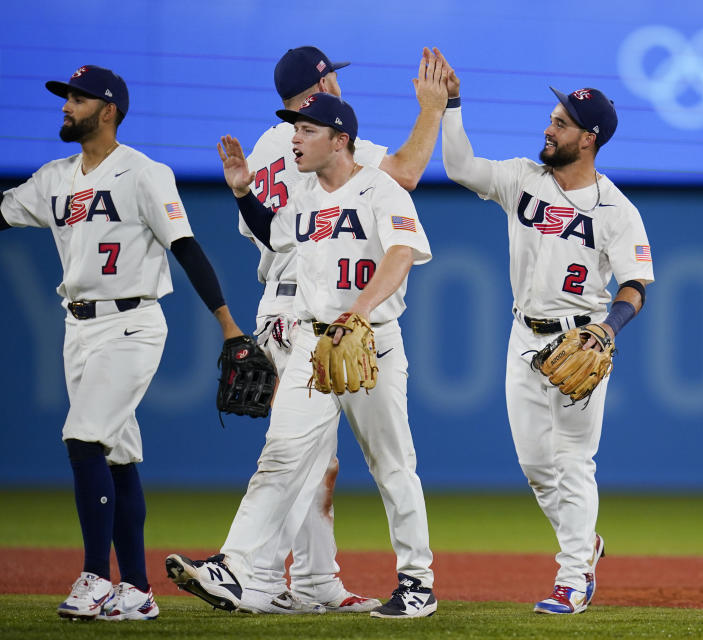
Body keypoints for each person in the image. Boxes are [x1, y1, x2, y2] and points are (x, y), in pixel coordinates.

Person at [165, 46, 448, 615]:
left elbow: (400, 254)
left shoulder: (379, 188)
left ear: (338, 139)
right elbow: (274, 237)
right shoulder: (303, 196)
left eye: (306, 129)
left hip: (372, 345)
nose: (294, 136)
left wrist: (361, 311)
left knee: (393, 467)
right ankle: (237, 565)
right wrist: (244, 192)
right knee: (282, 455)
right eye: (295, 126)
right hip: (314, 348)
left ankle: (417, 582)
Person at [0, 65, 247, 621]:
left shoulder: (144, 173)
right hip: (77, 327)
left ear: (108, 110)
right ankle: (136, 590)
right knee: (116, 454)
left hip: (131, 323)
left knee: (83, 438)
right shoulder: (54, 178)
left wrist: (227, 323)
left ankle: (93, 577)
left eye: (78, 98)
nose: (66, 105)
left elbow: (185, 247)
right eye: (65, 96)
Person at [440, 57, 654, 614]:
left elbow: (635, 285)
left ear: (589, 138)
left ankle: (573, 577)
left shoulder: (617, 210)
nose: (548, 128)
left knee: (575, 462)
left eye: (561, 123)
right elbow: (461, 167)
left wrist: (608, 330)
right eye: (552, 117)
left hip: (581, 342)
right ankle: (584, 542)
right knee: (537, 468)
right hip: (522, 339)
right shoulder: (522, 179)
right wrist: (451, 106)